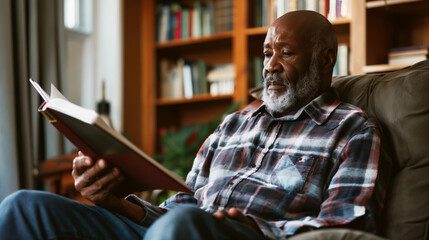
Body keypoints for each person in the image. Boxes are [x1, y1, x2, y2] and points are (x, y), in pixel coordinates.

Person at [0, 10, 387, 240]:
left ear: (324, 60)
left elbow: (349, 223)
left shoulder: (352, 129)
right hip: (177, 230)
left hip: (244, 237)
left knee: (183, 226)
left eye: (286, 53)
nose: (270, 65)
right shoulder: (233, 126)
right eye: (267, 52)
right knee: (23, 208)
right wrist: (113, 202)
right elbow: (180, 205)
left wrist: (257, 229)